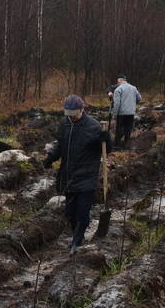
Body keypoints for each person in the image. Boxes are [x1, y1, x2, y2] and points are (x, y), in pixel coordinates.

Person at [44, 94, 112, 255]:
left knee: (82, 212)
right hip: (68, 174)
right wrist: (50, 158)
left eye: (74, 114)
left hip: (86, 175)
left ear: (82, 110)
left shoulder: (94, 127)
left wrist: (106, 140)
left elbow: (106, 150)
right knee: (70, 213)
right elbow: (60, 146)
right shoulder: (64, 125)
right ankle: (77, 234)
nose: (72, 118)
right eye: (69, 115)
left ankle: (77, 241)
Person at [111, 74, 141, 148]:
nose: (117, 83)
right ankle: (126, 144)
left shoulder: (118, 89)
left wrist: (114, 114)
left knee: (119, 129)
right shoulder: (134, 88)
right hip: (131, 112)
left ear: (119, 80)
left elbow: (117, 103)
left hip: (121, 113)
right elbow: (139, 98)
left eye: (117, 82)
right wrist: (133, 103)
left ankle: (117, 145)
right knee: (128, 128)